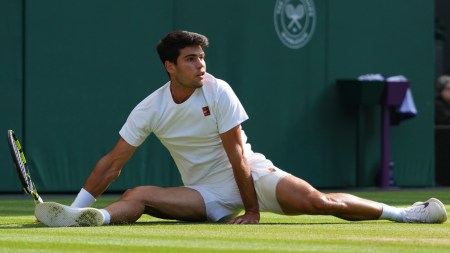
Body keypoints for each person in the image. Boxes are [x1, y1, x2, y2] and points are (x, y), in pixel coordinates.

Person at [35, 31, 447, 227]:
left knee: (321, 203)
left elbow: (235, 155)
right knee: (136, 196)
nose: (201, 65)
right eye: (191, 59)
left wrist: (252, 210)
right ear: (170, 66)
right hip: (205, 193)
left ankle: (404, 214)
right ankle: (86, 219)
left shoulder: (218, 91)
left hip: (251, 173)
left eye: (201, 58)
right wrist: (73, 204)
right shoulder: (151, 108)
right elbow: (113, 162)